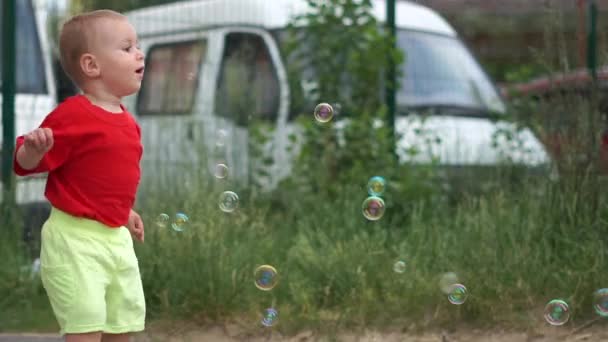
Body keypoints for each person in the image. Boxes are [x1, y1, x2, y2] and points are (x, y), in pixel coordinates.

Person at [13, 9, 146, 342]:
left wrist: (124, 212)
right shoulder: (74, 114)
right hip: (75, 241)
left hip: (115, 240)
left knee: (122, 325)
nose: (139, 53)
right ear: (92, 66)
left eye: (137, 46)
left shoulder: (128, 122)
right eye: (127, 48)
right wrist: (33, 149)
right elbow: (23, 162)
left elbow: (102, 179)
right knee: (85, 325)